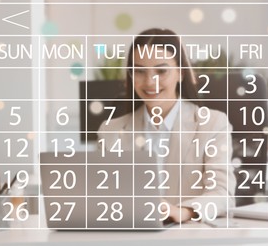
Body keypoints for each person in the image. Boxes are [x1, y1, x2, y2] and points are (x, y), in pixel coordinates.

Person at [98, 28, 236, 223]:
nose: (149, 81)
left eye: (161, 70)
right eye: (139, 71)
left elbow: (223, 194)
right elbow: (105, 197)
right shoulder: (110, 131)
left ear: (180, 73)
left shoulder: (212, 124)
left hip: (190, 236)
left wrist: (183, 211)